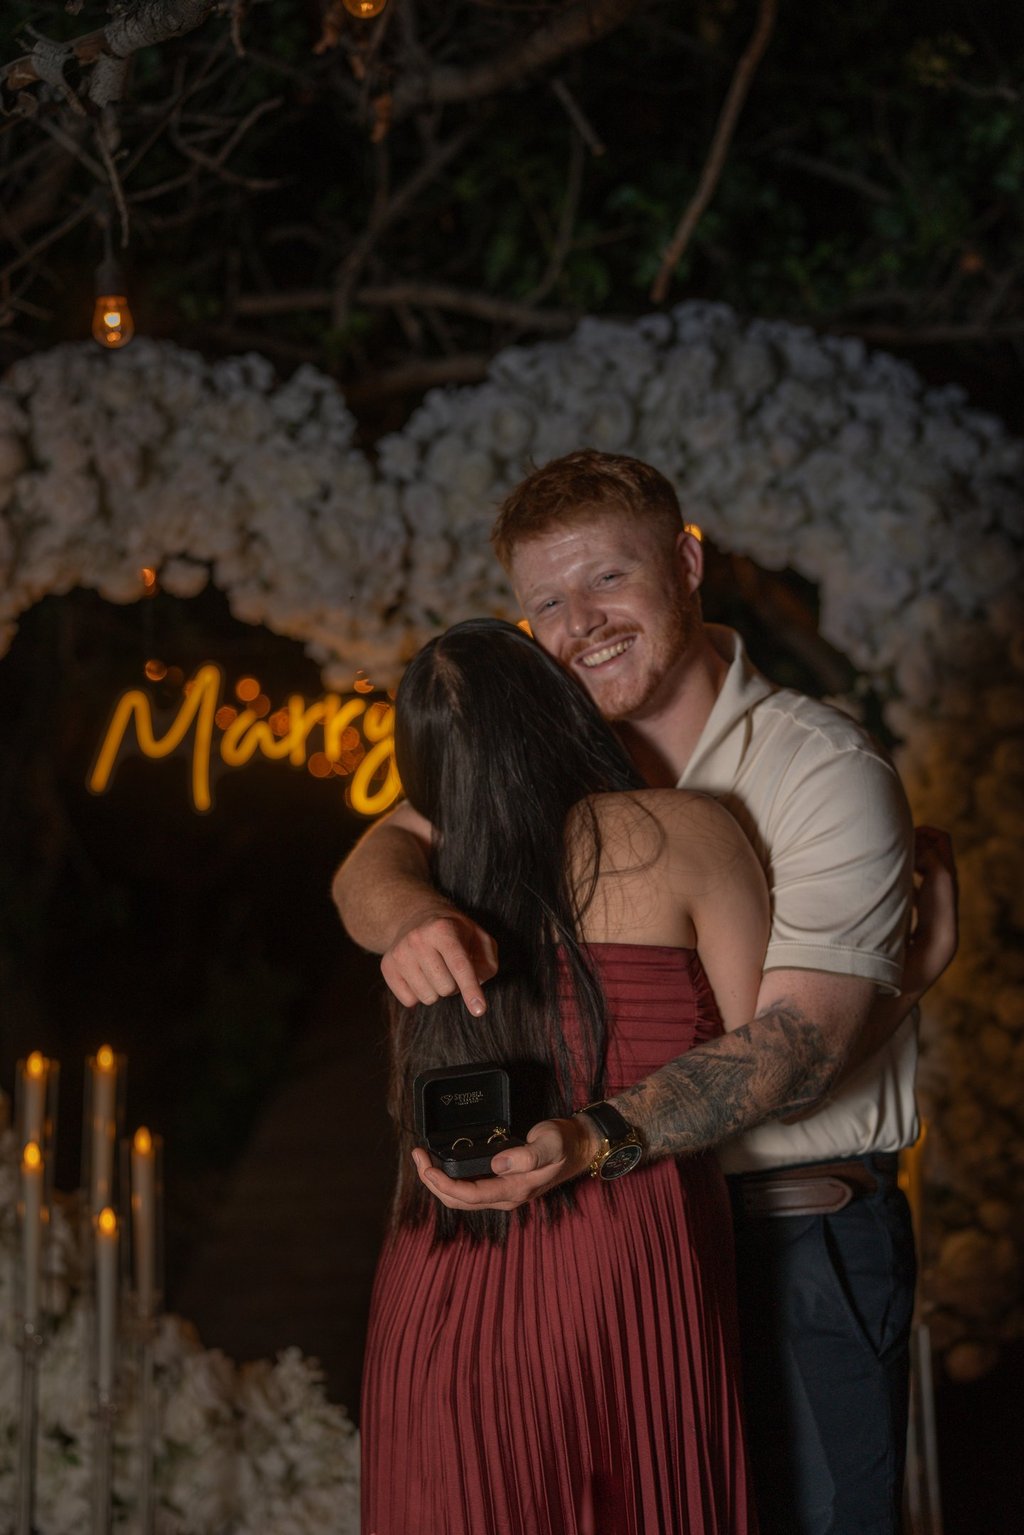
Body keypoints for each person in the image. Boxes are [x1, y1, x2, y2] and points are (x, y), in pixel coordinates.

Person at [335, 451, 958, 1535]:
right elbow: (375, 854)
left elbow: (798, 1046)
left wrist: (597, 1137)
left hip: (791, 1233)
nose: (583, 622)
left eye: (608, 580)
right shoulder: (539, 758)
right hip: (602, 1251)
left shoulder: (822, 769)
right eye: (548, 603)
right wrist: (410, 917)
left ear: (685, 561)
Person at [361, 615, 770, 1535]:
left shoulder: (419, 893)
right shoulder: (691, 832)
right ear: (562, 710)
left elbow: (367, 863)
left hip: (441, 1271)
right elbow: (769, 1059)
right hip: (629, 1254)